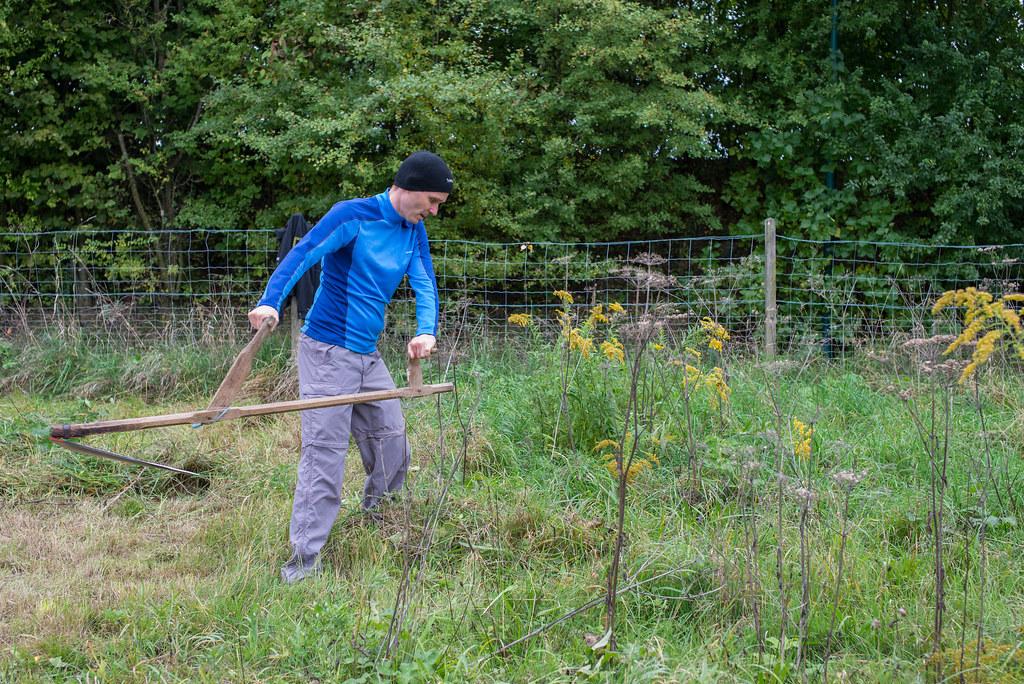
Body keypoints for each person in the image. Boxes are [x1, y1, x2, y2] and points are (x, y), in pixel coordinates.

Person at [247, 150, 452, 583]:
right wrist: (270, 300)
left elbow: (425, 283)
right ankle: (303, 562)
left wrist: (426, 331)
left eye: (439, 205)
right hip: (327, 352)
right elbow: (302, 255)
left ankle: (380, 521)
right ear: (409, 187)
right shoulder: (353, 216)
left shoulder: (414, 232)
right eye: (432, 201)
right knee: (325, 455)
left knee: (391, 439)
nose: (434, 211)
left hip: (367, 354)